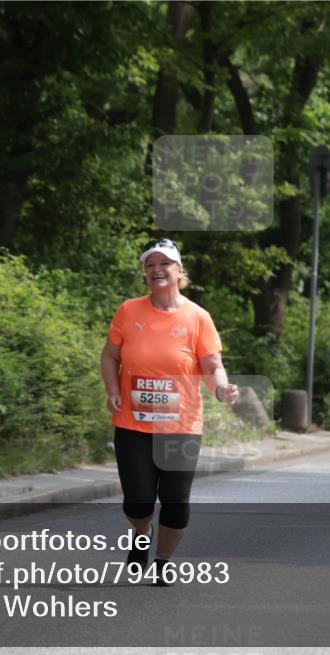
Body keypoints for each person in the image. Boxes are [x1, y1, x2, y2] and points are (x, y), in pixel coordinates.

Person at [100, 238, 239, 585]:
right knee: (138, 502)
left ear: (179, 271)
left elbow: (212, 365)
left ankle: (163, 561)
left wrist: (221, 388)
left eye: (164, 263)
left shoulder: (197, 317)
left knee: (176, 503)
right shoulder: (128, 311)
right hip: (133, 424)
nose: (157, 270)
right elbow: (110, 356)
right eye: (150, 265)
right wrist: (113, 390)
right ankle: (141, 534)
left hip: (181, 427)